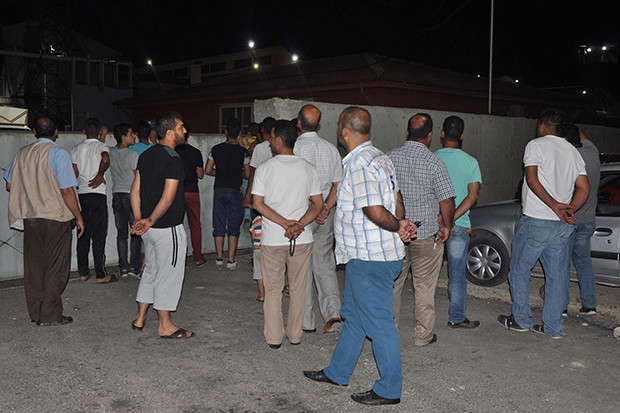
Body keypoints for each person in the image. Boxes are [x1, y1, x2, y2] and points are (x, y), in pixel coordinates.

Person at [303, 107, 415, 406]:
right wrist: (400, 223)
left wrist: (398, 225)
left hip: (370, 258)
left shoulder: (360, 164)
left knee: (379, 323)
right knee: (354, 317)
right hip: (364, 255)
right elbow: (396, 197)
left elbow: (374, 210)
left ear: (344, 131)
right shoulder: (380, 157)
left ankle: (389, 389)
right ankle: (338, 372)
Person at [498, 108, 589, 339]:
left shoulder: (535, 145)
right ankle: (553, 327)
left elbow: (531, 179)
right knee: (557, 277)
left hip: (537, 219)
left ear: (542, 125)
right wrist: (569, 208)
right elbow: (584, 187)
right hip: (562, 225)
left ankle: (521, 319)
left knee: (519, 270)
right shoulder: (572, 151)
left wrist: (554, 205)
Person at [4, 116, 85, 326]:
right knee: (56, 267)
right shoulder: (58, 153)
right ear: (56, 132)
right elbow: (67, 190)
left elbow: (9, 185)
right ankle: (50, 314)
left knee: (35, 267)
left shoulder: (22, 153)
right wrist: (79, 217)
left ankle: (36, 312)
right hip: (55, 216)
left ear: (34, 132)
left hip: (31, 217)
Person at [252, 119, 323, 348]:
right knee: (299, 289)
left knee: (273, 290)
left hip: (273, 239)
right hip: (301, 238)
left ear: (279, 140)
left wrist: (284, 224)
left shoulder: (265, 168)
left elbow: (257, 204)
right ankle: (295, 335)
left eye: (272, 138)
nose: (270, 142)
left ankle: (274, 338)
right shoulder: (309, 168)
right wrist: (298, 225)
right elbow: (318, 204)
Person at [388, 113, 455, 346]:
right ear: (430, 136)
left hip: (395, 233)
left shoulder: (389, 158)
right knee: (424, 287)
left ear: (407, 132)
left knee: (393, 285)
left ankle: (389, 332)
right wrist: (447, 225)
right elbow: (447, 200)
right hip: (426, 235)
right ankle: (423, 336)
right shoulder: (434, 162)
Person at [130, 111, 193, 339]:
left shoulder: (146, 155)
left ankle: (140, 318)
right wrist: (148, 221)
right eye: (181, 127)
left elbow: (135, 190)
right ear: (170, 132)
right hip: (166, 228)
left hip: (149, 229)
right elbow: (168, 197)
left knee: (151, 271)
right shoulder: (173, 159)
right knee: (168, 274)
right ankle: (165, 325)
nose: (185, 131)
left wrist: (140, 219)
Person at [293, 104, 344, 334]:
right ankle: (333, 315)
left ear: (299, 123)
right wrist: (325, 207)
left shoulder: (295, 148)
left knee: (302, 266)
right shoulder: (330, 148)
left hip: (302, 214)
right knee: (324, 265)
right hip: (326, 212)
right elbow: (337, 184)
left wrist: (313, 209)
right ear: (320, 124)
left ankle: (306, 321)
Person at [435, 115, 482, 328]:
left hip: (433, 225)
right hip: (459, 224)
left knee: (426, 274)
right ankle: (456, 318)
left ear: (442, 134)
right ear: (462, 135)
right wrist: (451, 218)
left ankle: (424, 320)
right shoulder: (471, 162)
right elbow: (473, 196)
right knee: (456, 274)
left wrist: (442, 218)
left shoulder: (432, 158)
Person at [563, 124, 600, 316]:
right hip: (587, 220)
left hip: (568, 219)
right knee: (584, 262)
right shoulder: (592, 152)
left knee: (562, 264)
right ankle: (590, 304)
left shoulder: (568, 156)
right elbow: (582, 135)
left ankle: (561, 305)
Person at [205, 117, 250, 270]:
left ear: (226, 132)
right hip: (235, 190)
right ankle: (231, 260)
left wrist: (218, 173)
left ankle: (219, 258)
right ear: (239, 134)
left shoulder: (215, 149)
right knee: (233, 225)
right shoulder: (243, 152)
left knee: (218, 223)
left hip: (219, 190)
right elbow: (248, 174)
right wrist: (238, 173)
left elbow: (208, 170)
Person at [71, 117, 113, 283]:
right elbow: (105, 159)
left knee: (83, 233)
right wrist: (100, 174)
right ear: (99, 132)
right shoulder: (102, 146)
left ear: (84, 131)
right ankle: (101, 274)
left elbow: (74, 172)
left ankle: (83, 272)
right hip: (98, 193)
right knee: (99, 235)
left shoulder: (75, 149)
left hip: (82, 194)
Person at [109, 123, 142, 278]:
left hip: (117, 195)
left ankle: (123, 267)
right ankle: (135, 266)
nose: (133, 136)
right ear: (123, 137)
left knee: (121, 234)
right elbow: (138, 177)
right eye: (130, 134)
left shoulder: (110, 152)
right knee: (135, 232)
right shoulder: (132, 155)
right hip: (130, 195)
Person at [175, 122, 206, 267]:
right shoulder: (195, 152)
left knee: (176, 226)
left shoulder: (172, 152)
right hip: (192, 191)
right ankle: (198, 257)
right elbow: (200, 174)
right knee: (195, 225)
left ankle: (178, 257)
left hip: (176, 192)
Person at [249, 214, 264, 302]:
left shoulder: (256, 221)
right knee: (271, 273)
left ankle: (261, 295)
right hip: (269, 249)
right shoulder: (272, 220)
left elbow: (253, 237)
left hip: (258, 250)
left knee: (259, 273)